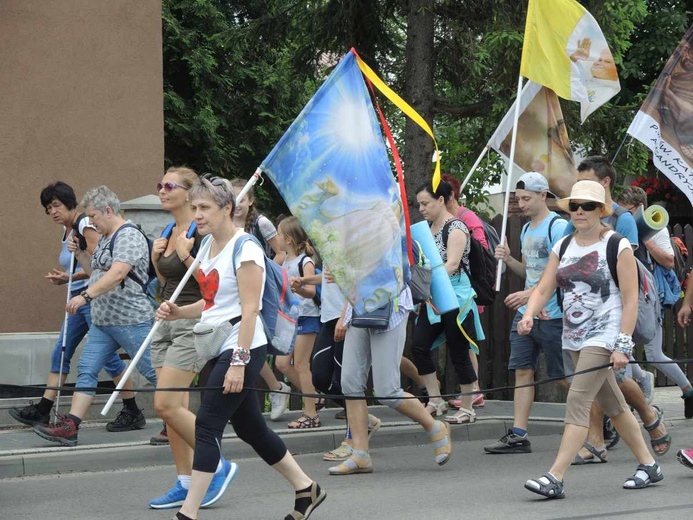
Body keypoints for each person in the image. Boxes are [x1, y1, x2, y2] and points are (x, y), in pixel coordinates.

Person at [156, 176, 325, 520]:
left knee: (206, 425)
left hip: (241, 347)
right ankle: (306, 488)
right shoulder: (206, 247)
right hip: (216, 345)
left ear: (227, 209)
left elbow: (250, 310)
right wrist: (177, 312)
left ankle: (188, 513)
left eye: (204, 208)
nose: (197, 215)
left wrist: (238, 361)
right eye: (194, 208)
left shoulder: (246, 247)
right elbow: (212, 303)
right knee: (250, 428)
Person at [523, 180, 663, 499]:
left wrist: (623, 345)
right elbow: (544, 287)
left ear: (602, 210)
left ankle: (554, 476)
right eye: (575, 205)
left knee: (578, 401)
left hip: (604, 332)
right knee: (614, 404)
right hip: (574, 336)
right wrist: (530, 312)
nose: (580, 212)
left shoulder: (617, 245)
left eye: (588, 206)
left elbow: (630, 300)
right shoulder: (564, 246)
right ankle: (649, 464)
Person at [33, 186, 158, 446]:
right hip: (104, 321)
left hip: (129, 319)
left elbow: (117, 273)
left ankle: (182, 418)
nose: (91, 222)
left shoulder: (128, 235)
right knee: (87, 368)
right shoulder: (106, 236)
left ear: (108, 211)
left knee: (152, 371)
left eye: (94, 217)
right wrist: (79, 253)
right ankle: (71, 426)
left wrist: (85, 297)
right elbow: (96, 271)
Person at [564, 157, 670, 461]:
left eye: (587, 181)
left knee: (607, 379)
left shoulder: (622, 219)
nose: (580, 189)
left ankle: (642, 422)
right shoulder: (581, 219)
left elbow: (626, 274)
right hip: (585, 313)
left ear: (605, 182)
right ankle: (634, 428)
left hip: (612, 312)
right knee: (602, 381)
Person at [147, 167, 238, 509]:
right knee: (172, 411)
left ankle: (215, 464)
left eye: (169, 185)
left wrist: (185, 253)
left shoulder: (203, 233)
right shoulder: (170, 229)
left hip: (192, 321)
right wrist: (158, 258)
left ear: (188, 193)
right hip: (166, 319)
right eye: (160, 184)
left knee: (165, 404)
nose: (162, 190)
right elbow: (168, 280)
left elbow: (210, 285)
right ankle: (185, 480)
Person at [10, 182, 130, 428]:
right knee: (64, 351)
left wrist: (74, 279)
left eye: (56, 205)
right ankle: (45, 408)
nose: (52, 211)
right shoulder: (67, 230)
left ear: (69, 202)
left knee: (103, 359)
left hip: (90, 299)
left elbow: (100, 266)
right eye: (48, 208)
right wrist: (67, 278)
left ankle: (134, 409)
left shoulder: (85, 224)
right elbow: (81, 266)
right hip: (76, 299)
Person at [328, 276, 452, 474]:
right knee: (350, 384)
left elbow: (389, 265)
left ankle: (434, 427)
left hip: (389, 306)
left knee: (388, 390)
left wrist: (347, 273)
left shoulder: (387, 242)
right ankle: (360, 454)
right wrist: (345, 312)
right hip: (358, 306)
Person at [485, 172, 570, 454]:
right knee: (522, 371)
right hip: (527, 314)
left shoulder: (557, 227)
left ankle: (600, 418)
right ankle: (519, 433)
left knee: (564, 377)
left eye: (526, 198)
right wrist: (507, 258)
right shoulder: (525, 229)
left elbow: (560, 272)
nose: (521, 204)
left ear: (543, 195)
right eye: (519, 198)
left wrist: (530, 294)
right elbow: (527, 271)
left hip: (554, 314)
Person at [411, 181, 485, 424]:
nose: (421, 208)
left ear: (441, 200)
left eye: (426, 203)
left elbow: (452, 264)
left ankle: (467, 407)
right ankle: (435, 399)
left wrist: (425, 281)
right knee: (420, 346)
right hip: (433, 296)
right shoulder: (427, 230)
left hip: (455, 297)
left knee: (459, 351)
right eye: (419, 204)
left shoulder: (456, 227)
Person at [617, 186, 693, 418]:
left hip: (650, 297)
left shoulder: (654, 228)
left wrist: (646, 240)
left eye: (628, 209)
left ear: (639, 208)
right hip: (632, 294)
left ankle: (687, 391)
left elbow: (669, 261)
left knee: (653, 354)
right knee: (623, 346)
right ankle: (638, 386)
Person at [230, 178, 291, 422]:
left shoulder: (260, 222)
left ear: (251, 201)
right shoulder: (222, 224)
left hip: (256, 288)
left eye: (242, 198)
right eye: (233, 198)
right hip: (233, 290)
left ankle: (275, 388)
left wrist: (261, 274)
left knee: (251, 341)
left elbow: (281, 252)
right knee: (239, 342)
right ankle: (273, 388)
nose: (236, 204)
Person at [440, 173, 486, 408]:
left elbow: (482, 253)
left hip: (466, 290)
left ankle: (474, 391)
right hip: (450, 291)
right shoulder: (445, 219)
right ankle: (472, 390)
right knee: (462, 343)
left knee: (465, 341)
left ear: (450, 196)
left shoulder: (466, 219)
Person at [276, 216, 321, 429]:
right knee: (282, 363)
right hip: (291, 317)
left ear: (289, 239)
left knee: (302, 364)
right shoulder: (286, 260)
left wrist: (298, 288)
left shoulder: (305, 261)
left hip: (307, 316)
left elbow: (311, 291)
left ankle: (311, 413)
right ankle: (314, 398)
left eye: (279, 234)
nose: (276, 238)